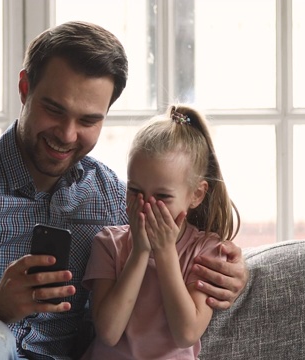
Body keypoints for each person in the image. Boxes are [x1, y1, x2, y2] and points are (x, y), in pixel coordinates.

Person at [0, 21, 248, 360]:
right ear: (25, 88)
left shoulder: (110, 196)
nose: (68, 134)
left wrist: (231, 272)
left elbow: (178, 224)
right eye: (54, 110)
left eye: (88, 120)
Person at [80, 105, 240, 360]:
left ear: (196, 195)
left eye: (162, 196)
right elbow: (109, 333)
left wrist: (165, 251)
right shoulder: (109, 244)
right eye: (135, 191)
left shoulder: (206, 251)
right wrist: (140, 251)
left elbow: (186, 333)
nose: (146, 205)